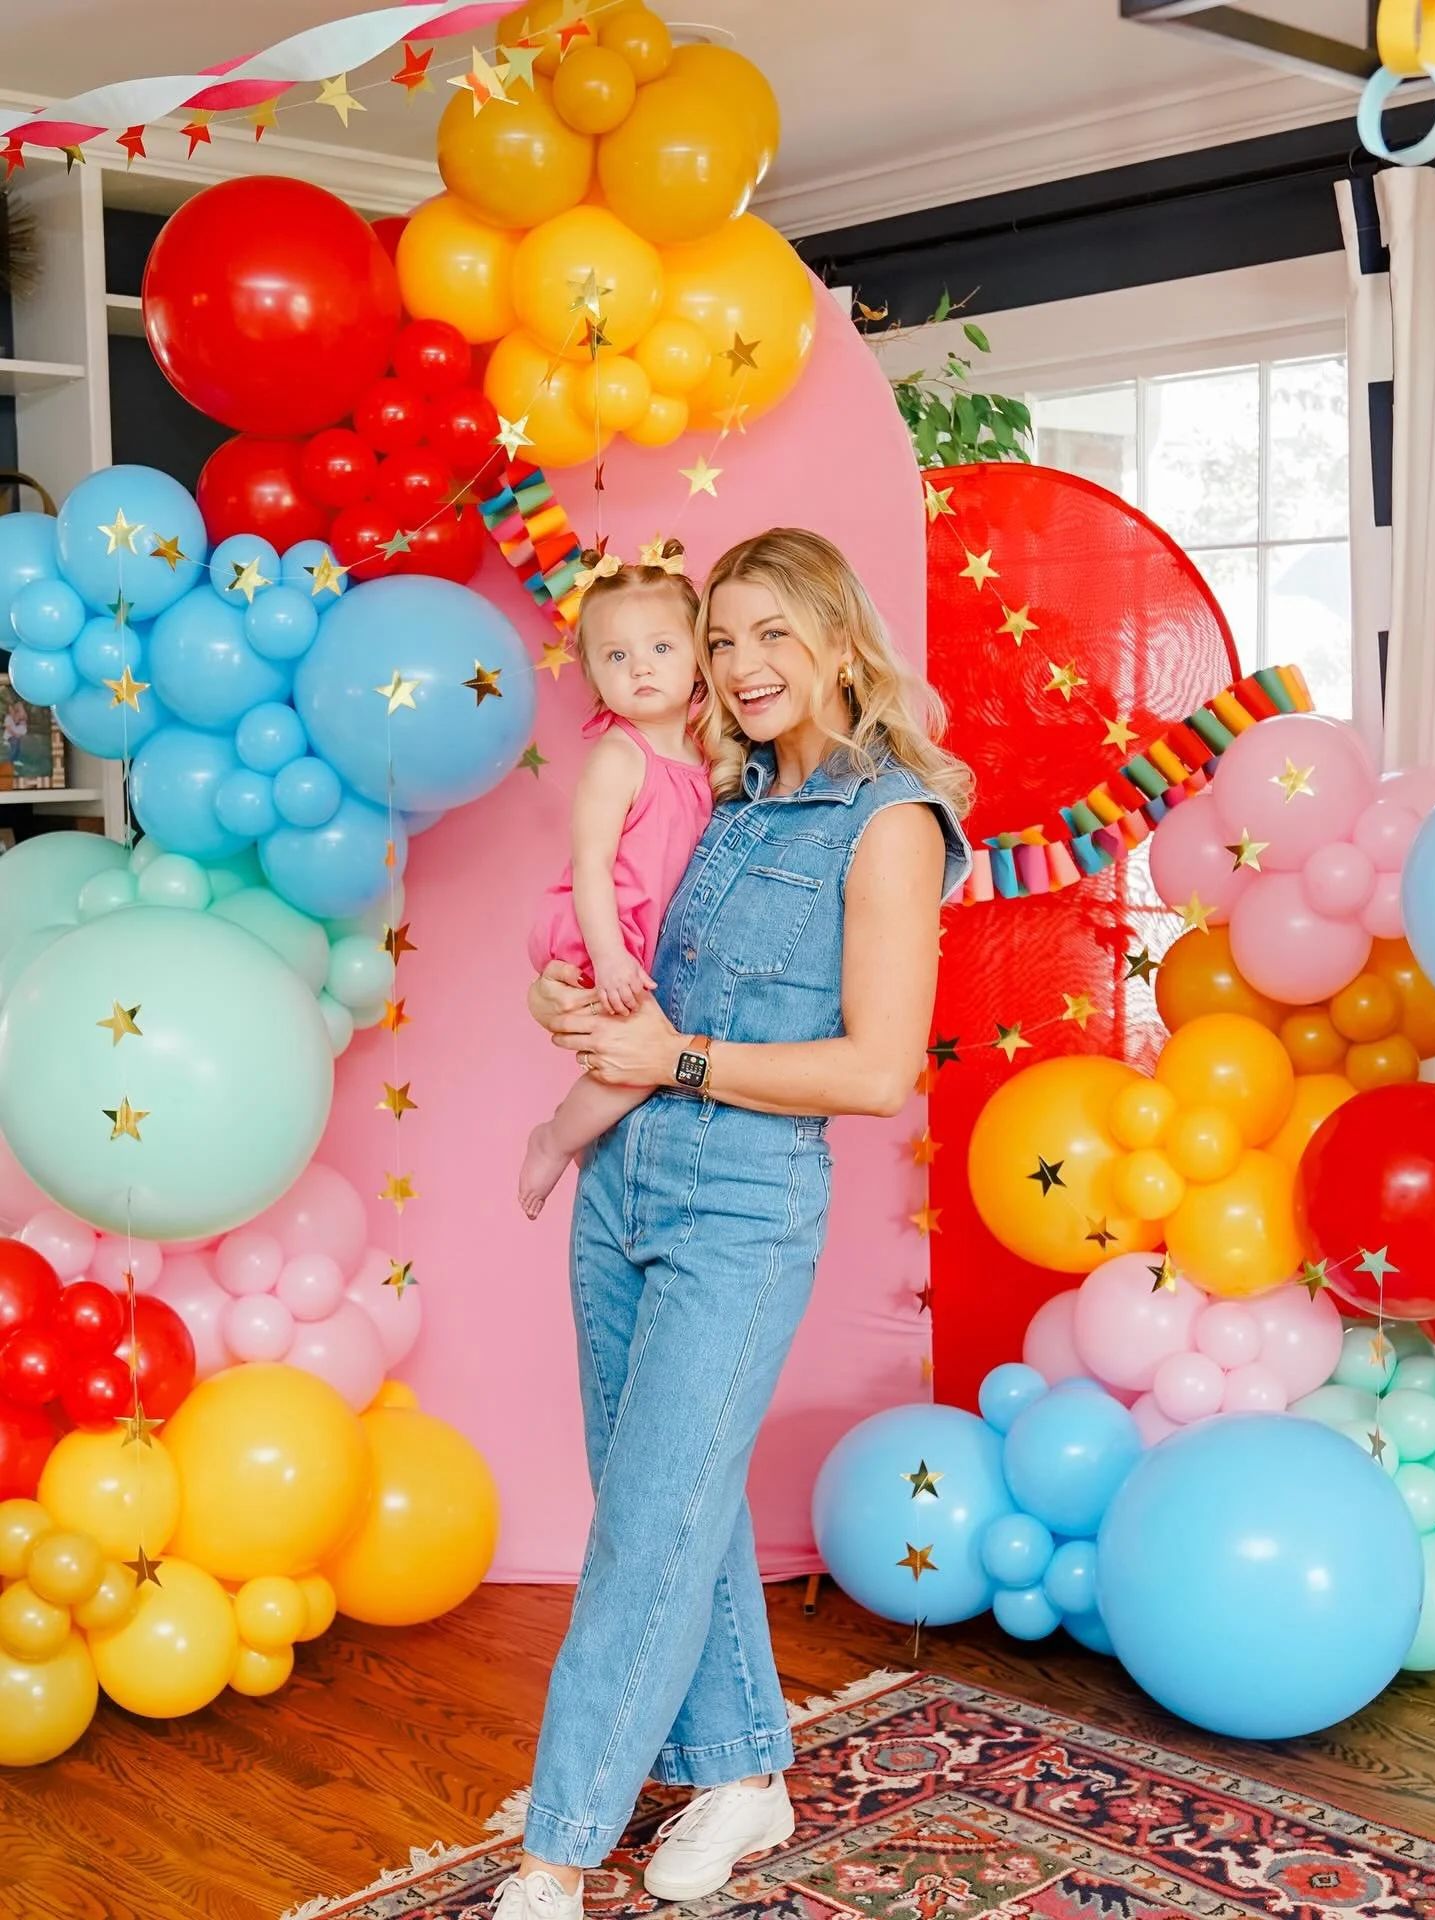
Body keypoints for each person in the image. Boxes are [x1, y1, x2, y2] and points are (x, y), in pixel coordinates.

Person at [498, 528, 973, 1920]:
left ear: (839, 642)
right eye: (721, 639)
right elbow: (618, 955)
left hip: (743, 1205)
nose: (742, 666)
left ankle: (557, 1853)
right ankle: (747, 1775)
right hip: (621, 1184)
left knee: (649, 1526)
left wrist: (678, 1062)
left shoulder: (887, 820)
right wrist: (563, 1003)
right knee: (672, 1508)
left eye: (774, 635)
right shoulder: (712, 792)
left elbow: (877, 1072)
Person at [520, 542, 712, 1218]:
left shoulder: (704, 752)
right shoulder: (617, 756)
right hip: (611, 930)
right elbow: (591, 867)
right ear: (595, 677)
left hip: (656, 937)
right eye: (616, 657)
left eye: (661, 648)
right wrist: (607, 957)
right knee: (632, 1066)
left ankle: (576, 1135)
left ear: (699, 660)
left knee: (644, 1061)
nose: (640, 670)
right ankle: (553, 1139)